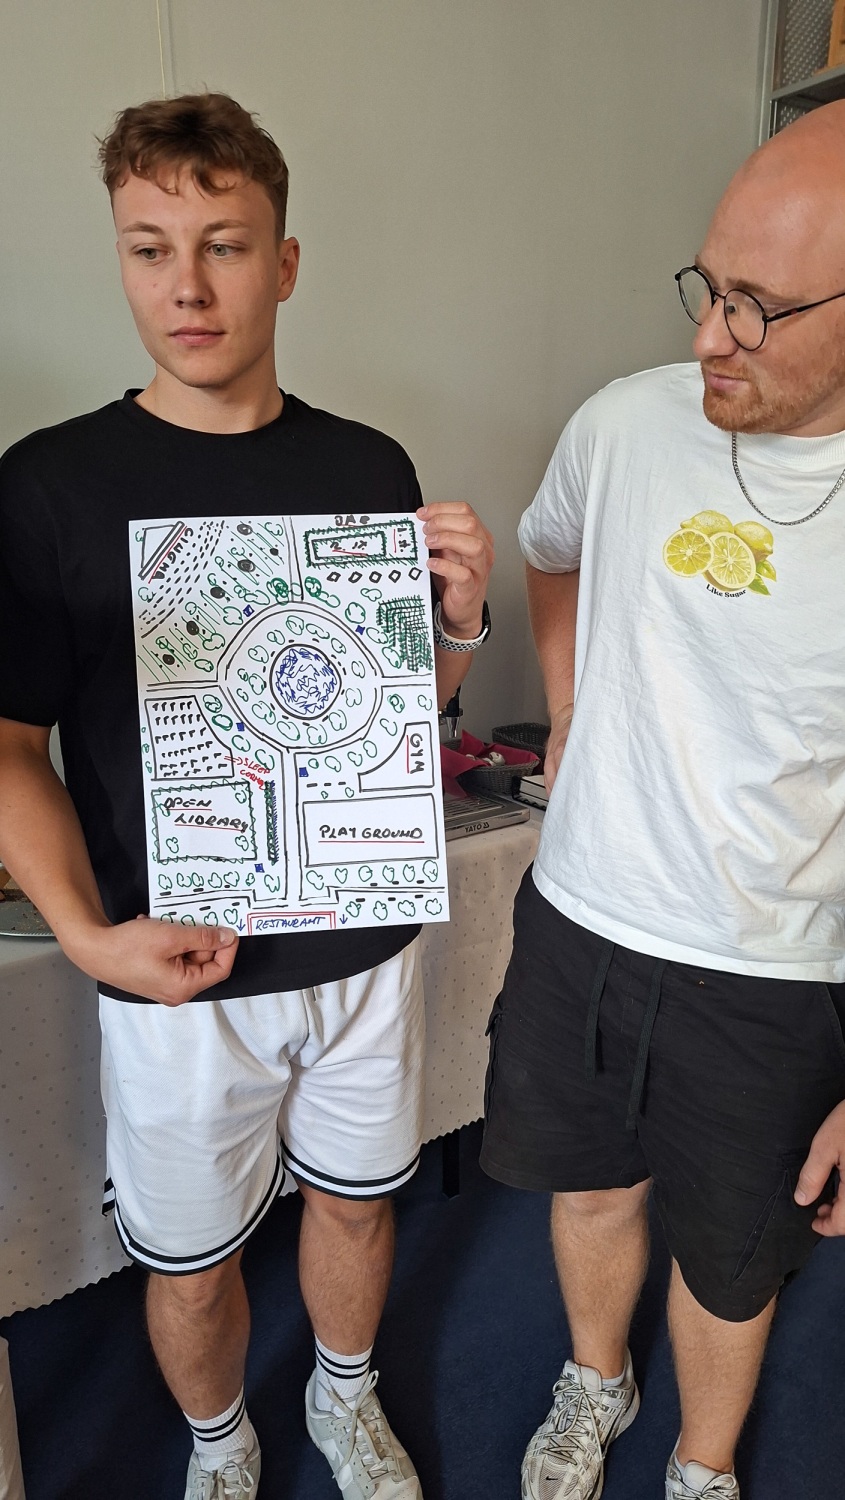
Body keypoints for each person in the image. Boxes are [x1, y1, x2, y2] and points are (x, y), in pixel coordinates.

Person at [0, 93, 493, 1500]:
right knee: (192, 1258)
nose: (189, 286)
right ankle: (221, 1443)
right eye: (150, 248)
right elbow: (8, 746)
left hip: (361, 943)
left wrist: (455, 630)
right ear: (119, 258)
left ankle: (345, 1394)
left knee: (359, 1204)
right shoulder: (46, 486)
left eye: (223, 244)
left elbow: (384, 731)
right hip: (180, 968)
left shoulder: (366, 467)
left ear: (283, 263)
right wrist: (90, 940)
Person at [480, 98, 845, 1500]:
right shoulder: (625, 423)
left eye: (759, 309)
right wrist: (569, 707)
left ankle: (702, 1463)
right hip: (582, 913)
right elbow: (550, 549)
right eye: (708, 286)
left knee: (731, 1257)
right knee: (589, 1188)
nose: (708, 338)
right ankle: (595, 1380)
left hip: (772, 970)